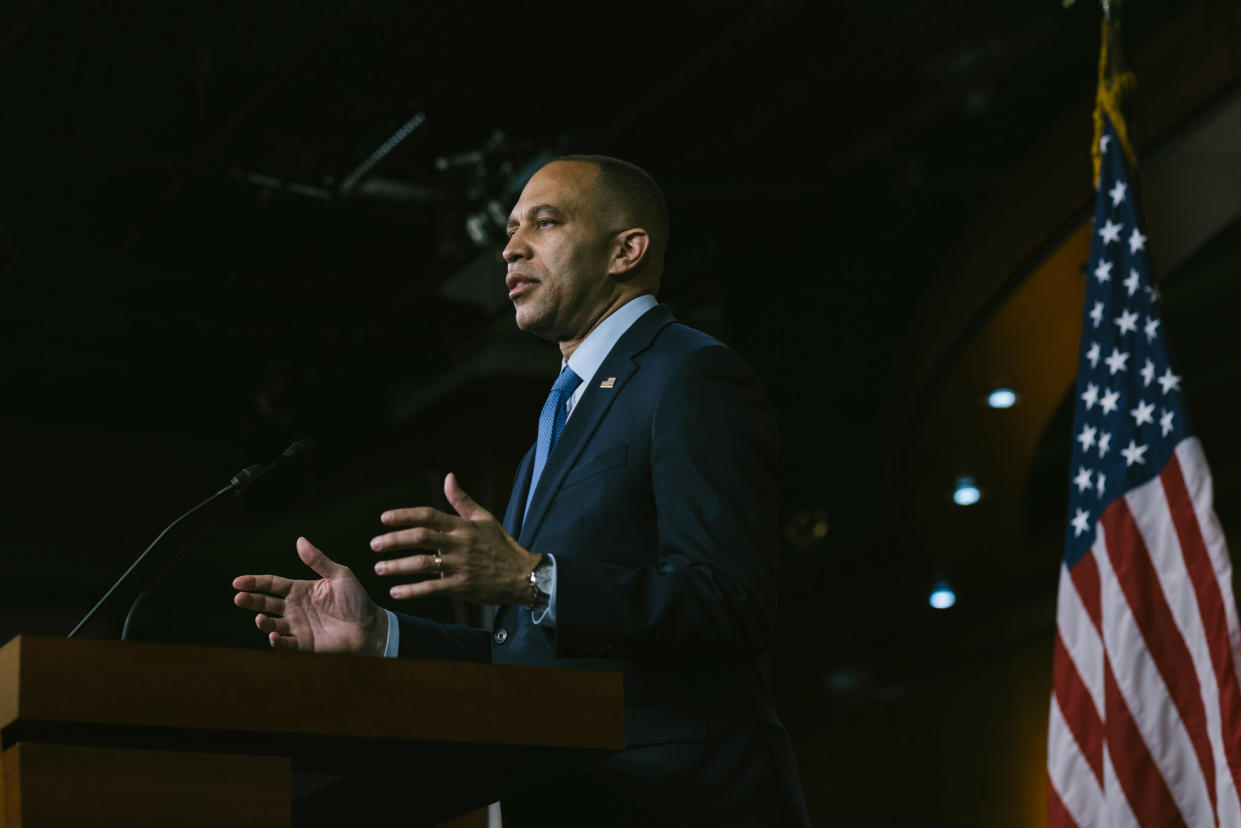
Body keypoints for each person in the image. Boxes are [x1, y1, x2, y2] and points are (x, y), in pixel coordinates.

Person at [233, 155, 810, 826]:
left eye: (545, 221)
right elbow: (533, 659)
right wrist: (383, 635)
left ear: (626, 249)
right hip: (565, 796)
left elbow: (728, 603)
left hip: (677, 801)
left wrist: (536, 580)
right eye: (509, 229)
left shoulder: (691, 375)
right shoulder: (561, 416)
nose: (509, 247)